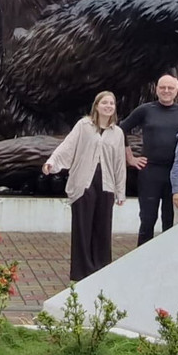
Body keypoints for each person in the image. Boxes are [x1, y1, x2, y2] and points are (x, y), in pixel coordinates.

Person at [44, 91, 127, 280]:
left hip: (106, 184)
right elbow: (68, 145)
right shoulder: (83, 126)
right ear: (96, 106)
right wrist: (52, 162)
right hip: (83, 183)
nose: (108, 106)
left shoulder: (118, 133)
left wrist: (120, 191)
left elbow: (120, 164)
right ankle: (81, 272)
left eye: (111, 103)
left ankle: (101, 269)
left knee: (103, 227)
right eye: (104, 102)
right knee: (82, 227)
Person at [119, 75, 178, 244]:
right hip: (150, 172)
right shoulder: (146, 110)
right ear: (156, 89)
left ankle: (167, 260)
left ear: (176, 91)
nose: (166, 91)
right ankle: (142, 260)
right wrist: (130, 158)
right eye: (163, 87)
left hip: (175, 173)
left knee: (170, 220)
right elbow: (121, 129)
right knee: (148, 219)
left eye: (170, 88)